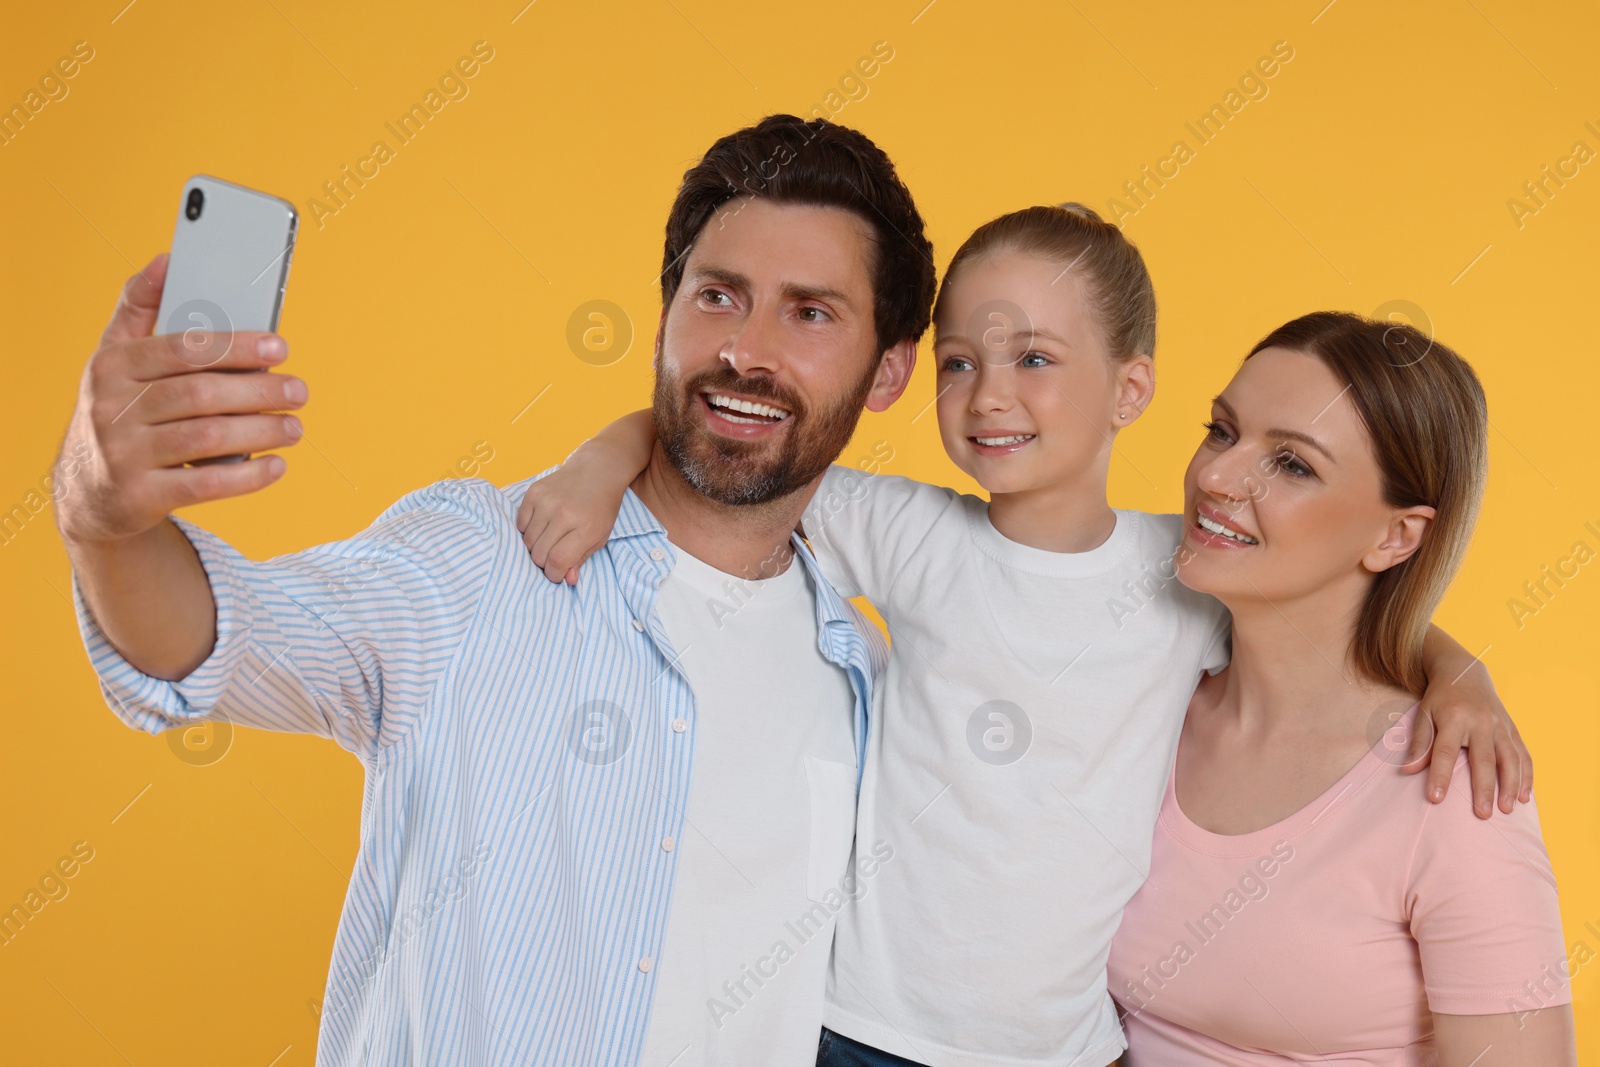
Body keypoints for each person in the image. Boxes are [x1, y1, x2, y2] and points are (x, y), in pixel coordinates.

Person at [516, 205, 1531, 1066]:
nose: (989, 394)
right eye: (959, 362)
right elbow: (734, 439)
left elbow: (1350, 608)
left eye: (1034, 358)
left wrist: (1459, 673)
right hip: (857, 1027)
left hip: (1068, 1050)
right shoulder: (909, 532)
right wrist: (595, 465)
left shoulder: (1182, 570)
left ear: (1130, 389)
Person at [53, 115, 939, 1066]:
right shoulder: (479, 559)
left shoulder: (871, 680)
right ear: (667, 313)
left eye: (811, 313)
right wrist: (102, 513)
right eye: (719, 295)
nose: (746, 350)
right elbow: (213, 640)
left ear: (887, 370)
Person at [1105, 312, 1576, 1065]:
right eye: (1222, 431)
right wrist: (1457, 664)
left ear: (1395, 537)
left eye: (1292, 464)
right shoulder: (1143, 699)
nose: (1216, 477)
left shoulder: (1453, 786)